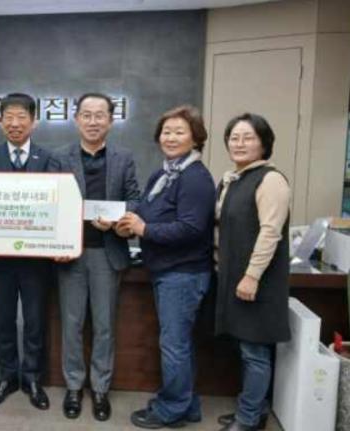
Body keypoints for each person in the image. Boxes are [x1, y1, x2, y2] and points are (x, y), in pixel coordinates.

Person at [116, 105, 215, 429]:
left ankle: (171, 409)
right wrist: (127, 224)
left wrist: (144, 229)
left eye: (179, 132)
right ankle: (188, 404)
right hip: (166, 270)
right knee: (178, 343)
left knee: (174, 345)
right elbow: (146, 212)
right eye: (166, 132)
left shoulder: (195, 177)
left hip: (183, 273)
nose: (170, 138)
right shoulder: (164, 174)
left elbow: (191, 228)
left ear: (195, 138)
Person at [49, 93, 140, 422]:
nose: (92, 121)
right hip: (71, 254)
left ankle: (100, 388)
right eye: (86, 115)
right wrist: (56, 244)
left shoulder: (123, 158)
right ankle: (74, 386)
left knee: (104, 326)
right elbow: (51, 203)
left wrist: (116, 222)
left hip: (107, 253)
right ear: (76, 120)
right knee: (72, 324)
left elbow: (135, 199)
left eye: (99, 115)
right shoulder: (60, 157)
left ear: (110, 121)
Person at [214, 113, 291, 431]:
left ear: (264, 143)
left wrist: (252, 275)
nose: (239, 143)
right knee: (245, 348)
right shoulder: (233, 179)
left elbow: (270, 232)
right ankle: (254, 410)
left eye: (248, 137)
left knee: (255, 351)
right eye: (234, 137)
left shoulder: (270, 180)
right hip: (234, 277)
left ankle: (248, 419)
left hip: (257, 281)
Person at [0, 93, 52, 410]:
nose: (15, 123)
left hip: (36, 260)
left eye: (22, 117)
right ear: (0, 121)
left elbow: (55, 208)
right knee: (4, 319)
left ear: (33, 121)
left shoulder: (48, 159)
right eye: (8, 117)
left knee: (35, 320)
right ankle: (7, 375)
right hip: (1, 260)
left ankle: (32, 376)